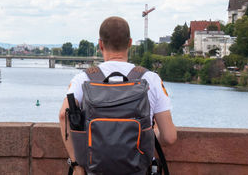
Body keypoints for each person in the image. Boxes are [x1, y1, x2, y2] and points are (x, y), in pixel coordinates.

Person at [59, 16, 177, 175]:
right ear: (130, 43)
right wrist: (148, 134)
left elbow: (62, 116)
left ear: (100, 44)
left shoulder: (83, 79)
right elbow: (169, 137)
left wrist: (76, 164)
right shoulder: (150, 79)